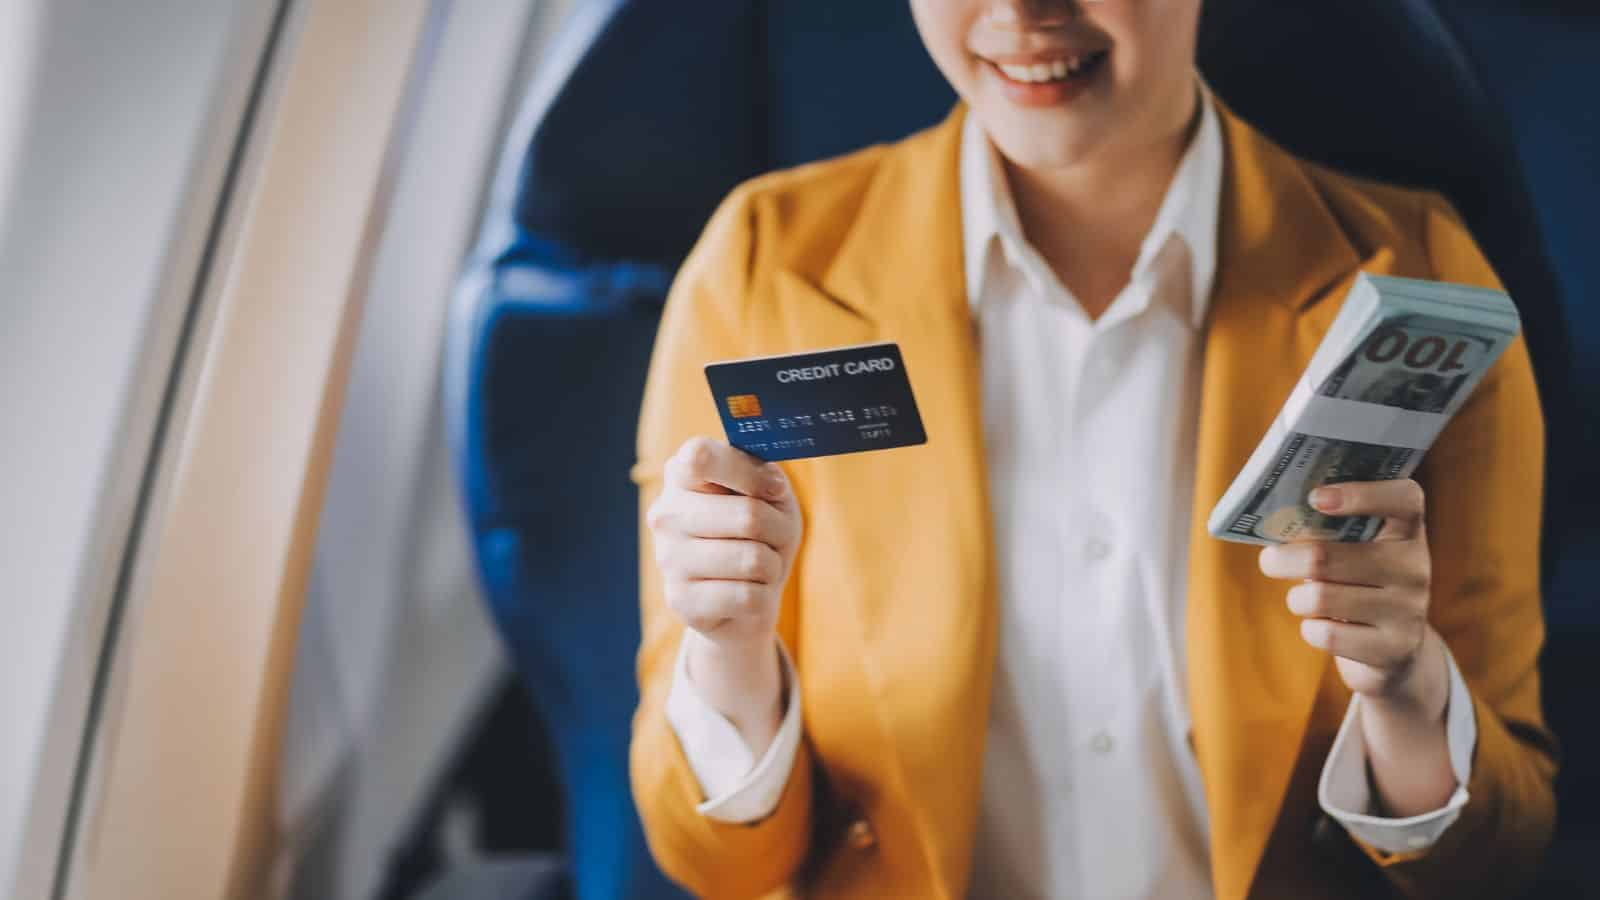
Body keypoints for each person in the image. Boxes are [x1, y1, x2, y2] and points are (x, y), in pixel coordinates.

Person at [628, 2, 1557, 897]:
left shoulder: (1422, 272)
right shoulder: (761, 268)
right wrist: (730, 656)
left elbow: (1491, 862)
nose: (1023, 11)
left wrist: (1406, 692)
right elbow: (714, 863)